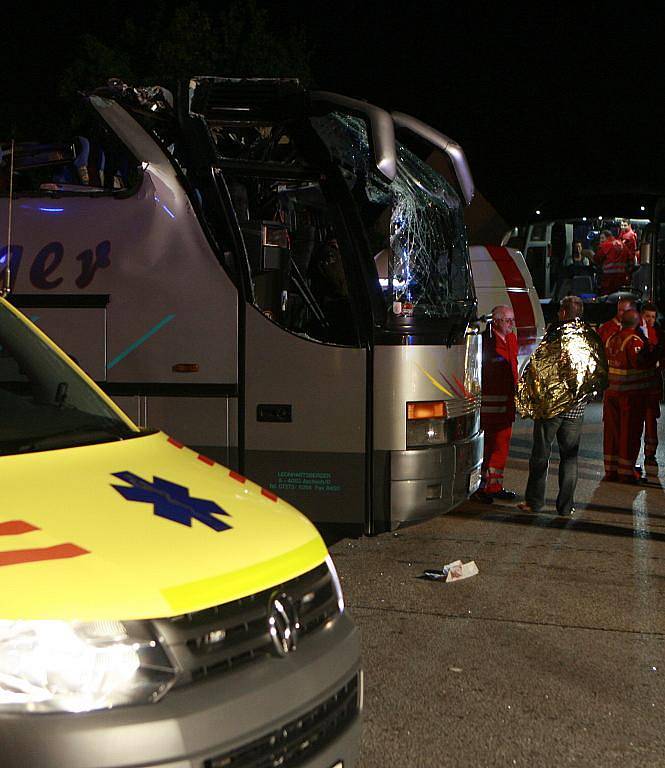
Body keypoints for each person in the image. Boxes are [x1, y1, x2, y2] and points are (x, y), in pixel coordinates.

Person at [517, 296, 591, 516]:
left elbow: (539, 365)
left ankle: (535, 502)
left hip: (552, 406)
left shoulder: (554, 334)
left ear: (564, 313)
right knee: (569, 457)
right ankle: (566, 506)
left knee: (541, 453)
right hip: (576, 408)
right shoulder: (588, 336)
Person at [602, 308, 656, 483]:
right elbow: (641, 364)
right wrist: (654, 354)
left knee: (612, 433)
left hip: (611, 394)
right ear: (636, 322)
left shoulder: (611, 339)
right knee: (629, 434)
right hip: (630, 397)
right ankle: (626, 472)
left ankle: (611, 470)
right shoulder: (633, 341)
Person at [473, 305, 519, 504]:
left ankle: (494, 485)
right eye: (508, 321)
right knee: (486, 447)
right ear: (497, 321)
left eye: (512, 320)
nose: (512, 325)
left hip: (506, 403)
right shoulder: (485, 342)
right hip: (490, 404)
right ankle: (480, 487)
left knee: (501, 446)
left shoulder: (511, 340)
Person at [640, 302, 662, 466]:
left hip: (653, 383)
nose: (650, 320)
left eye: (653, 317)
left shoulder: (658, 334)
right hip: (640, 382)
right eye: (647, 316)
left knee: (651, 418)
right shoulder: (638, 334)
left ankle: (650, 451)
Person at [593, 229, 634, 294]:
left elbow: (596, 259)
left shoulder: (604, 246)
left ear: (608, 237)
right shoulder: (623, 245)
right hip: (622, 281)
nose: (601, 240)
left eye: (602, 238)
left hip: (608, 281)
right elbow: (631, 260)